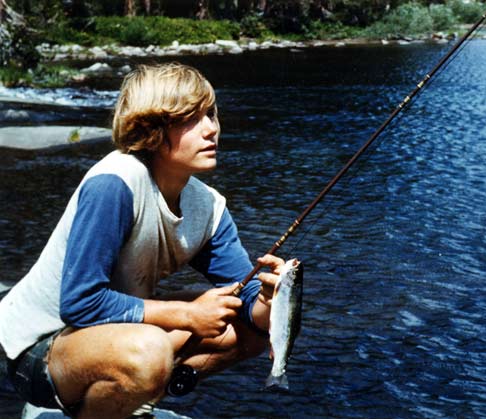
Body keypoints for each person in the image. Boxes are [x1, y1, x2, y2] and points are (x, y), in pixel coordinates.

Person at [0, 63, 284, 419]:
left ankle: (136, 390)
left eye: (211, 114)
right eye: (191, 119)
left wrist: (269, 301)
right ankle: (137, 380)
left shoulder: (208, 206)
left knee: (248, 329)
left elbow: (248, 308)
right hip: (39, 348)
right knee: (150, 351)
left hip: (111, 334)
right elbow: (80, 302)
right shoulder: (114, 183)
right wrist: (187, 314)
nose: (211, 129)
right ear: (151, 128)